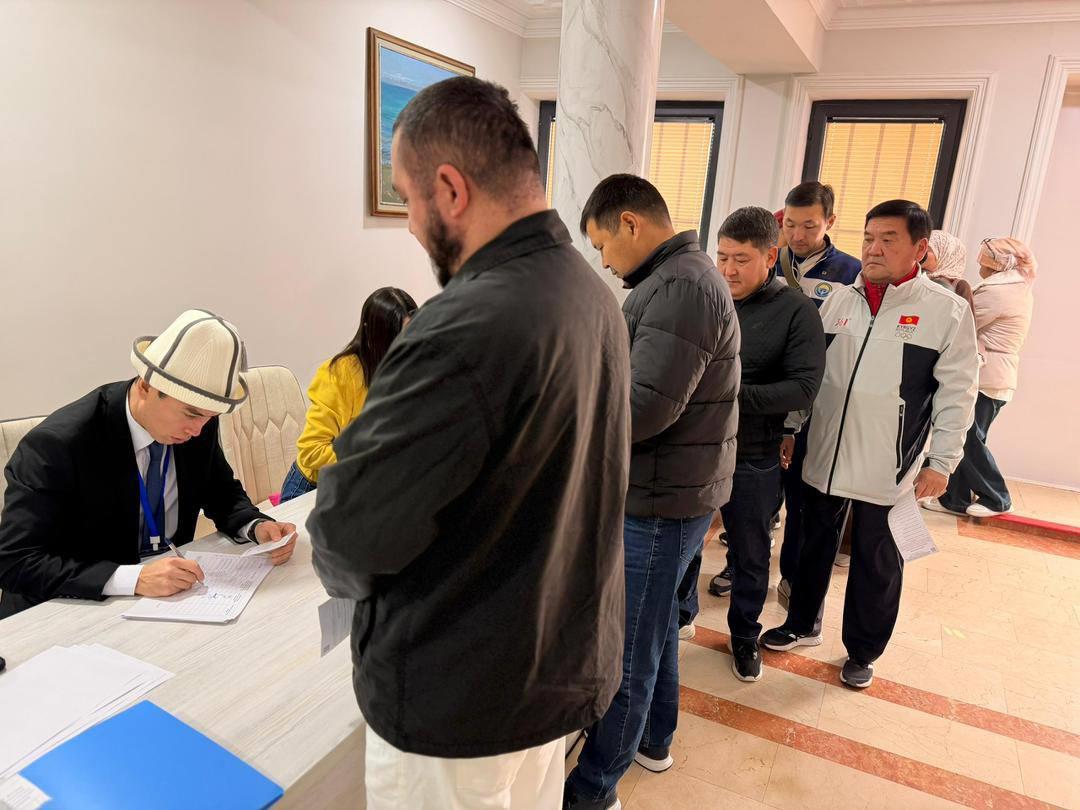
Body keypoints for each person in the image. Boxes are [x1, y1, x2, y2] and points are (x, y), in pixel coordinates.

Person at [306, 77, 631, 810]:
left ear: (450, 190)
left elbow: (351, 534)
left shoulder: (461, 327)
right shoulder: (589, 292)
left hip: (459, 704)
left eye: (407, 199)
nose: (410, 226)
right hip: (550, 667)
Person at [564, 174, 739, 810]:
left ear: (631, 224)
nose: (605, 263)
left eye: (603, 246)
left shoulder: (681, 286)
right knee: (655, 626)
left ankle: (592, 790)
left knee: (627, 652)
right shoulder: (677, 279)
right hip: (675, 491)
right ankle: (654, 739)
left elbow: (643, 407)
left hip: (660, 500)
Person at [762, 200, 977, 689]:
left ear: (919, 248)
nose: (873, 249)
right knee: (812, 543)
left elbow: (959, 392)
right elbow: (811, 374)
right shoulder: (840, 300)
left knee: (877, 559)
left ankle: (862, 650)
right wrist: (793, 427)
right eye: (868, 238)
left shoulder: (945, 311)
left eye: (888, 240)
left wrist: (942, 461)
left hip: (889, 461)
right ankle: (801, 623)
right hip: (826, 452)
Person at [0, 310, 297, 619]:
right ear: (145, 386)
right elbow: (15, 560)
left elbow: (222, 493)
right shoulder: (58, 444)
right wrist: (134, 579)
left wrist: (256, 527)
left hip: (169, 601)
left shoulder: (198, 424)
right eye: (192, 414)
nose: (198, 430)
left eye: (211, 417)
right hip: (65, 610)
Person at [705, 207, 824, 681]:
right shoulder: (708, 297)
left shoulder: (795, 310)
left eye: (741, 260)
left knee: (750, 554)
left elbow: (802, 389)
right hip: (696, 448)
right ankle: (681, 615)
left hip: (753, 454)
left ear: (770, 257)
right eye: (722, 257)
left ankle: (743, 635)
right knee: (686, 543)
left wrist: (728, 394)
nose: (728, 270)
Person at [925, 237, 1037, 518]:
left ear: (999, 264)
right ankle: (955, 499)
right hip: (993, 375)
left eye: (985, 259)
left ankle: (998, 498)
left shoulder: (999, 292)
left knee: (968, 438)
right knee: (967, 436)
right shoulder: (1014, 288)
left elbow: (962, 321)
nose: (980, 265)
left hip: (986, 376)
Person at [279, 287, 417, 501]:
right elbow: (311, 450)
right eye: (397, 339)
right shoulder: (339, 375)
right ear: (374, 338)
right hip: (312, 487)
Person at [923, 230, 975, 311]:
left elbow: (967, 317)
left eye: (928, 250)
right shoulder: (916, 275)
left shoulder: (960, 286)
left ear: (944, 255)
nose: (922, 253)